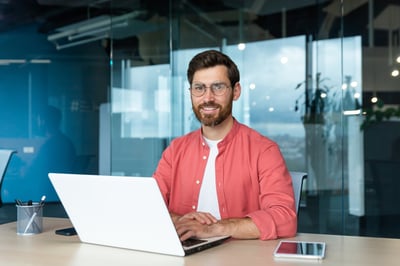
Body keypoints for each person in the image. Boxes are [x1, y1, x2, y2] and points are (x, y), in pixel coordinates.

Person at [153, 50, 297, 241]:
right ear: (191, 93)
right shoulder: (175, 150)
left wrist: (215, 228)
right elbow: (150, 207)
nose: (207, 97)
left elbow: (284, 219)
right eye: (199, 88)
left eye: (218, 87)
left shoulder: (264, 150)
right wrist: (181, 221)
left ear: (236, 91)